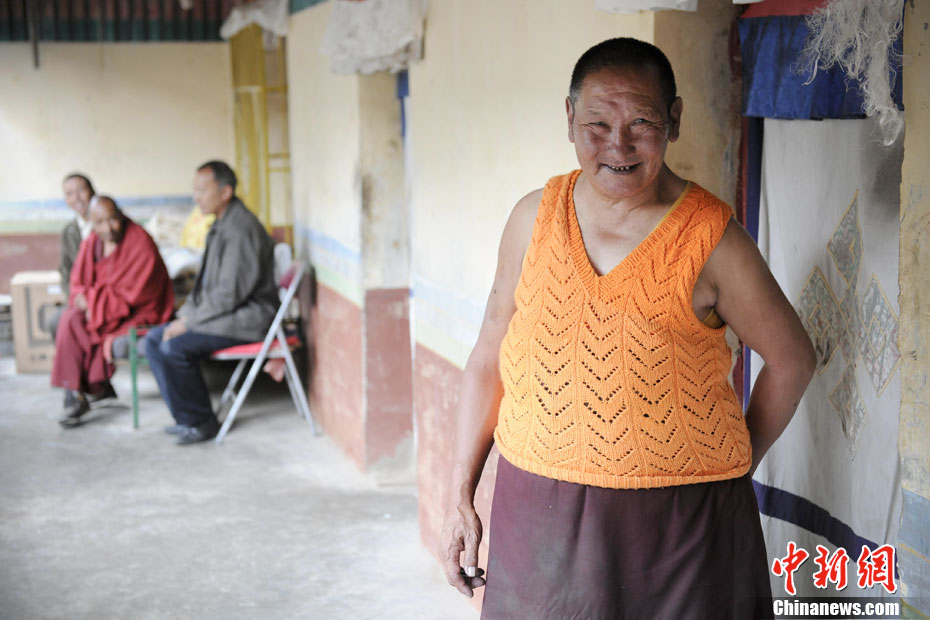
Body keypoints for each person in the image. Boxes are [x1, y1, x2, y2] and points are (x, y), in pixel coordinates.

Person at [438, 38, 816, 620]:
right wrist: (459, 494)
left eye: (643, 121)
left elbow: (792, 359)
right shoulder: (531, 220)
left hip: (682, 526)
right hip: (537, 509)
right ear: (569, 120)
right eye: (597, 123)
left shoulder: (712, 239)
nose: (618, 145)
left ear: (675, 121)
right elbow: (489, 355)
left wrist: (733, 461)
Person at [144, 161, 277, 446]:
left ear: (226, 191)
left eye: (202, 190)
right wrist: (185, 316)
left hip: (247, 318)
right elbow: (206, 288)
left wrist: (189, 323)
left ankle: (203, 422)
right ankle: (186, 418)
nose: (197, 197)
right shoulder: (222, 223)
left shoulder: (241, 230)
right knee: (154, 340)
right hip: (226, 313)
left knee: (174, 347)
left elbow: (229, 295)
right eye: (195, 190)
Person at [51, 195, 174, 427]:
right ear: (92, 223)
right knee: (68, 318)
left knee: (82, 322)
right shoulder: (92, 243)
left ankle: (93, 391)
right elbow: (78, 282)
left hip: (134, 313)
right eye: (100, 222)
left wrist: (93, 303)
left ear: (121, 215)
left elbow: (137, 294)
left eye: (113, 220)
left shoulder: (140, 242)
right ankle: (74, 394)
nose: (107, 228)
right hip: (101, 310)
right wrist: (87, 300)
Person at [48, 173, 96, 337]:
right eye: (69, 194)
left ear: (92, 192)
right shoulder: (69, 231)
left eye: (81, 190)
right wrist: (75, 298)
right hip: (79, 297)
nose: (77, 198)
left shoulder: (105, 224)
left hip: (102, 296)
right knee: (56, 322)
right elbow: (65, 270)